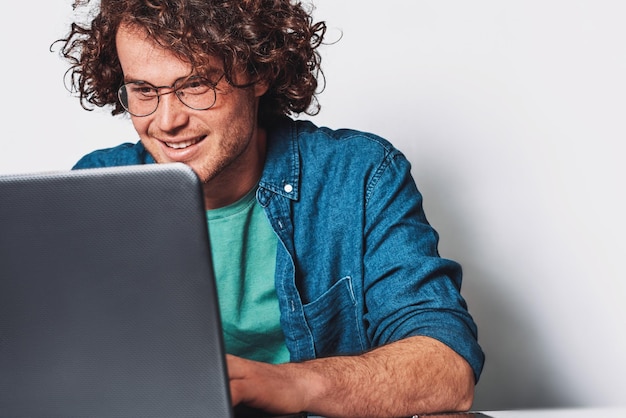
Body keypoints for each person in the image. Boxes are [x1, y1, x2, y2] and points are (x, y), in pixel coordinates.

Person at [57, 0, 485, 416]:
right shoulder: (99, 187)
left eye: (195, 85)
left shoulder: (358, 176)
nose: (167, 120)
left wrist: (289, 385)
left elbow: (447, 367)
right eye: (144, 91)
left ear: (258, 71)